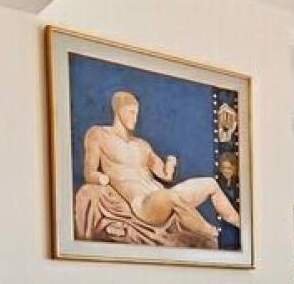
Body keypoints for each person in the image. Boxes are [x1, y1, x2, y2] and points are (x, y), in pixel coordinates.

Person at [82, 91, 241, 241]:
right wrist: (102, 179)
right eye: (131, 112)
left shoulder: (142, 145)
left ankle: (242, 225)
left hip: (161, 196)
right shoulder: (99, 134)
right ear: (118, 110)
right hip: (144, 205)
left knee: (210, 184)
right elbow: (89, 173)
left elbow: (166, 176)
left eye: (136, 113)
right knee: (169, 196)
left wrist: (170, 163)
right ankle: (211, 232)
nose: (135, 118)